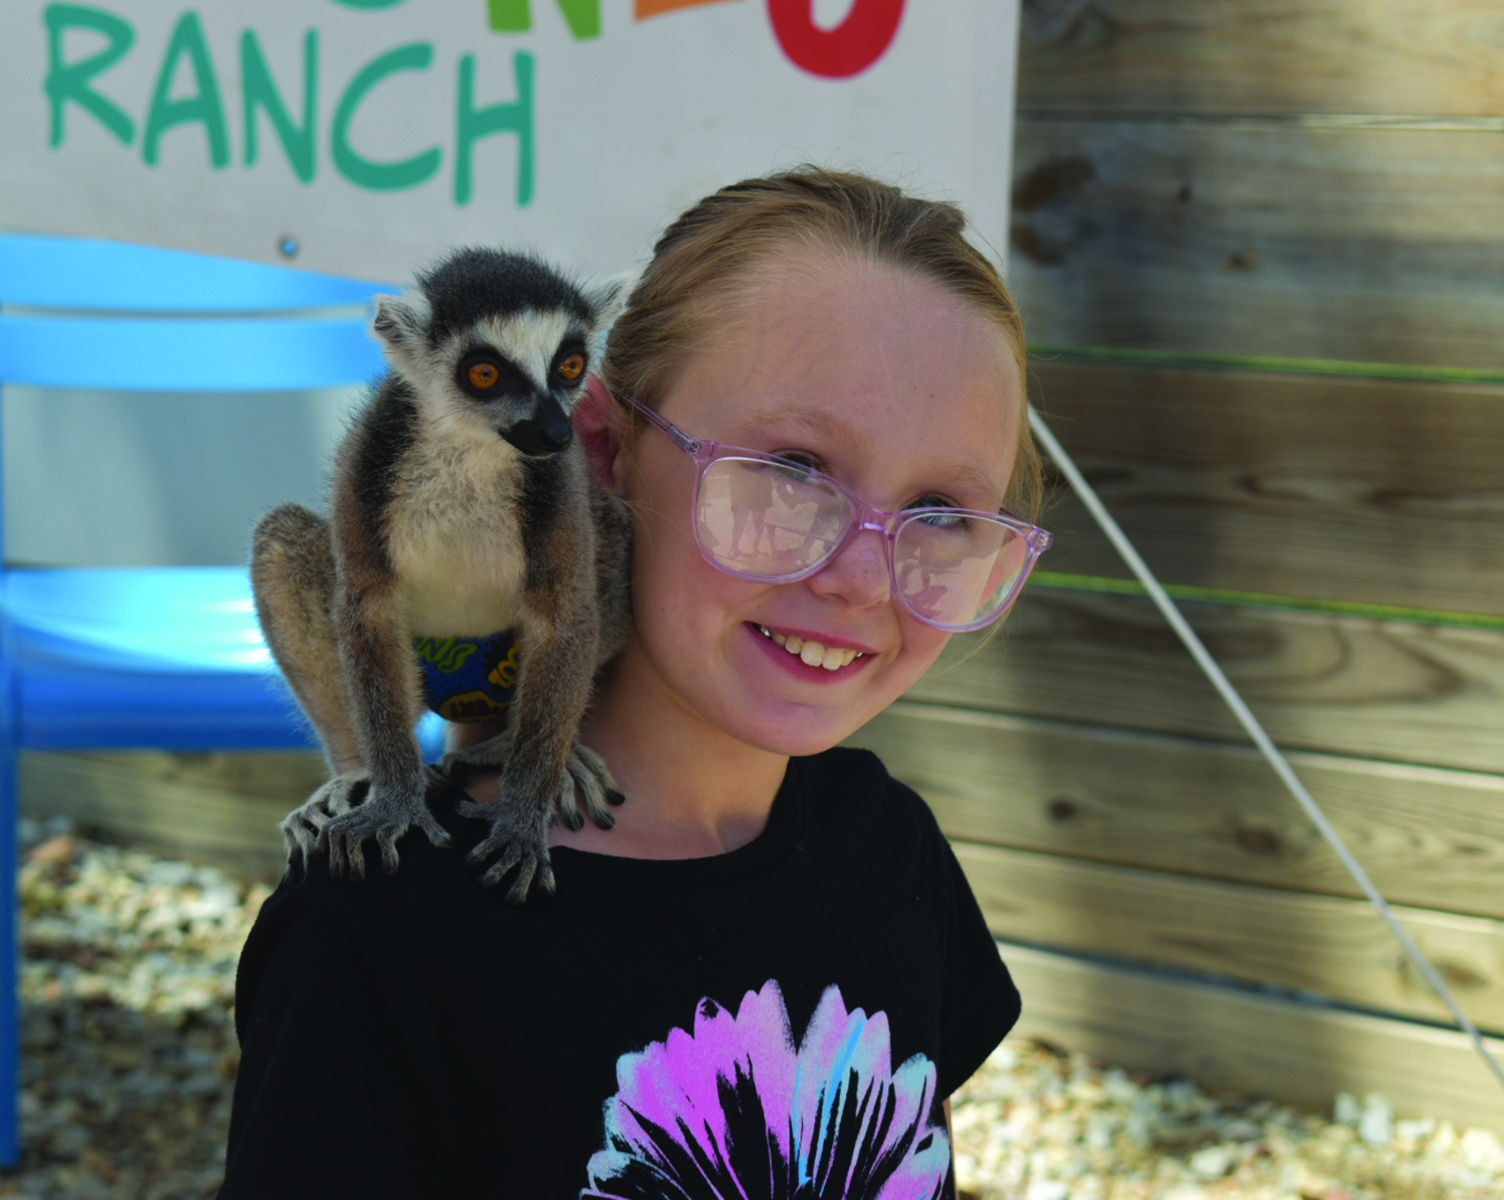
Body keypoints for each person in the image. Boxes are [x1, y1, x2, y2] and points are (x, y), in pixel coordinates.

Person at [217, 167, 1049, 1198]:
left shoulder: (889, 852)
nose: (860, 579)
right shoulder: (383, 931)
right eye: (790, 472)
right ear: (603, 444)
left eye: (944, 513)